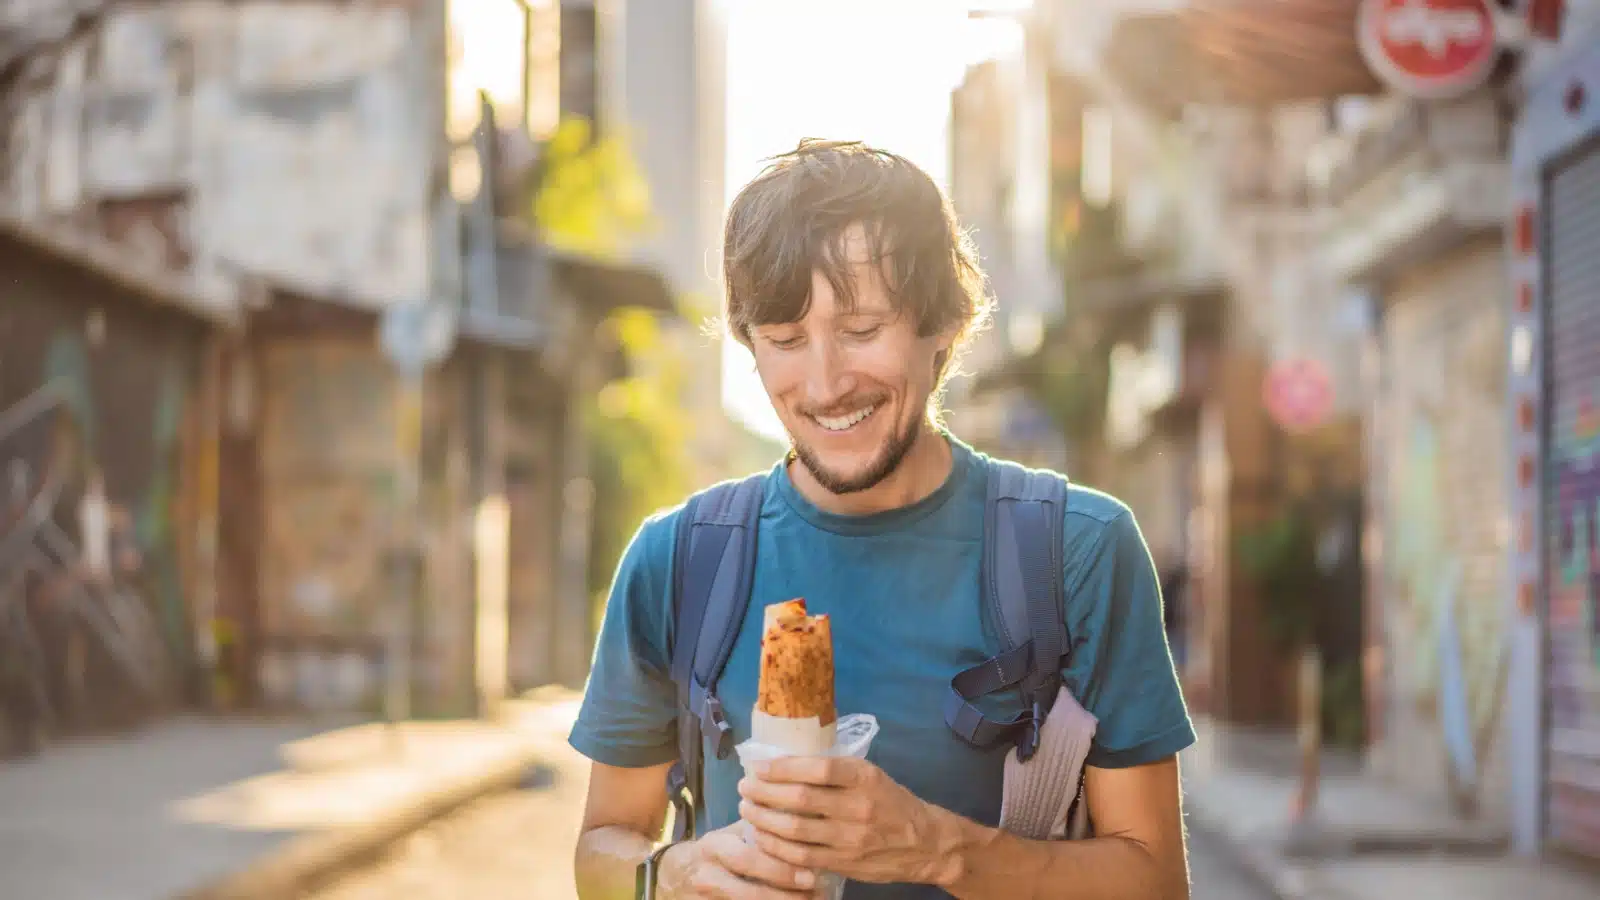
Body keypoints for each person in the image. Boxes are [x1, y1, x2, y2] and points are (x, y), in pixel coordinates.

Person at [570, 140, 1194, 900]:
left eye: (862, 329)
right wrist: (671, 872)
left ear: (943, 325)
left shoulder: (1076, 553)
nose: (826, 383)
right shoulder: (678, 561)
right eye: (786, 340)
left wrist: (939, 851)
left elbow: (1154, 880)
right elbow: (601, 849)